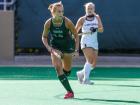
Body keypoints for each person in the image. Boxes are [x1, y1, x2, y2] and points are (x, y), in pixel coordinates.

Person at [42, 1, 79, 99]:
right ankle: (70, 92)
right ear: (53, 12)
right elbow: (44, 37)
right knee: (58, 68)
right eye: (59, 12)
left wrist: (76, 50)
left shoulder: (67, 22)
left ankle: (64, 74)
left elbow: (76, 35)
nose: (61, 13)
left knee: (67, 72)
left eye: (62, 11)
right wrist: (49, 48)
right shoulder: (48, 23)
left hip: (67, 47)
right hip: (55, 47)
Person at [75, 2, 104, 85]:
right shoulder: (82, 19)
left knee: (93, 65)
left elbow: (101, 29)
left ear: (94, 9)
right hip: (85, 42)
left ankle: (81, 73)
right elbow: (75, 31)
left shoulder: (97, 18)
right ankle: (86, 79)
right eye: (88, 8)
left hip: (94, 42)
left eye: (91, 8)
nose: (90, 10)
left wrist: (95, 29)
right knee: (89, 60)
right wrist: (73, 35)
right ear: (85, 10)